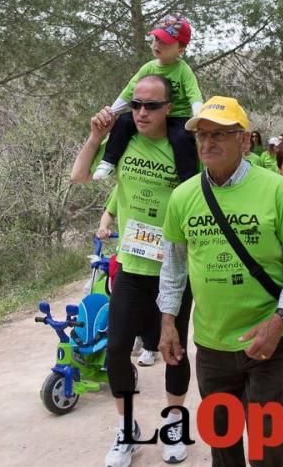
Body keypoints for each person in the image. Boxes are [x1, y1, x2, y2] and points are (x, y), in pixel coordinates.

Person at [157, 96, 283, 467]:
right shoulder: (183, 197)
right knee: (223, 447)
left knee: (267, 447)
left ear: (244, 141)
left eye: (219, 135)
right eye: (201, 135)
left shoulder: (275, 190)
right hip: (212, 347)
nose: (207, 143)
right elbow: (174, 269)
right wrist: (167, 322)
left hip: (268, 342)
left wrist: (280, 322)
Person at [70, 75, 193, 467]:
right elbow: (80, 176)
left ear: (167, 109)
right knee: (118, 349)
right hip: (131, 267)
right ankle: (127, 432)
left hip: (172, 270)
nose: (142, 112)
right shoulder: (122, 141)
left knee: (172, 350)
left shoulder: (181, 148)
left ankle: (174, 424)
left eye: (152, 106)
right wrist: (94, 137)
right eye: (137, 104)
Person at [93, 14, 202, 182]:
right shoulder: (148, 68)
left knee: (182, 138)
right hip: (150, 114)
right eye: (156, 39)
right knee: (123, 122)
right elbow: (129, 91)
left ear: (180, 49)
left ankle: (188, 181)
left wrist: (198, 118)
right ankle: (108, 161)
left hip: (177, 116)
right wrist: (112, 112)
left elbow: (194, 94)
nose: (157, 44)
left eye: (164, 42)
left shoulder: (183, 70)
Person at [98, 188, 159, 366]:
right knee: (125, 304)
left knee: (152, 305)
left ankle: (151, 348)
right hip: (127, 258)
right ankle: (136, 339)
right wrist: (103, 227)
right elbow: (109, 212)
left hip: (156, 259)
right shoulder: (123, 186)